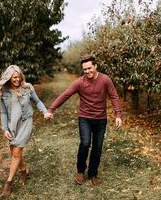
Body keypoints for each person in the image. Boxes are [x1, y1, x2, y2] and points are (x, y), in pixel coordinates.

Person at [48, 56, 122, 186]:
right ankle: (80, 170)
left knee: (97, 147)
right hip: (85, 118)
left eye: (89, 68)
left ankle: (93, 173)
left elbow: (114, 96)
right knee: (85, 143)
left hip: (100, 119)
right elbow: (66, 94)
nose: (87, 71)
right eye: (84, 69)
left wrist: (118, 115)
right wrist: (51, 109)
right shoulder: (80, 82)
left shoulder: (105, 80)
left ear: (95, 66)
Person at [0, 65, 52, 197]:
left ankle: (8, 185)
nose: (17, 80)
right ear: (9, 78)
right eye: (14, 78)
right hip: (13, 124)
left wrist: (45, 112)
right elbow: (3, 113)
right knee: (14, 152)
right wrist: (5, 128)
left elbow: (37, 101)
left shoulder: (27, 87)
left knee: (17, 152)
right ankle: (24, 171)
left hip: (26, 122)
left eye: (19, 77)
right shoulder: (4, 92)